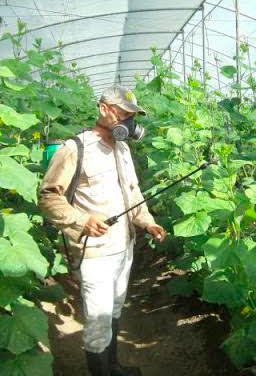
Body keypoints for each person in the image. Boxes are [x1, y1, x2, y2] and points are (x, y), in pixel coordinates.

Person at [38, 86, 166, 376]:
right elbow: (48, 197)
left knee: (115, 309)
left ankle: (113, 367)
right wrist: (83, 220)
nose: (129, 121)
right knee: (98, 320)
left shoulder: (122, 148)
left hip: (125, 245)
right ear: (103, 109)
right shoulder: (75, 149)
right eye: (123, 113)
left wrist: (146, 221)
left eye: (132, 115)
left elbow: (132, 192)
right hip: (94, 252)